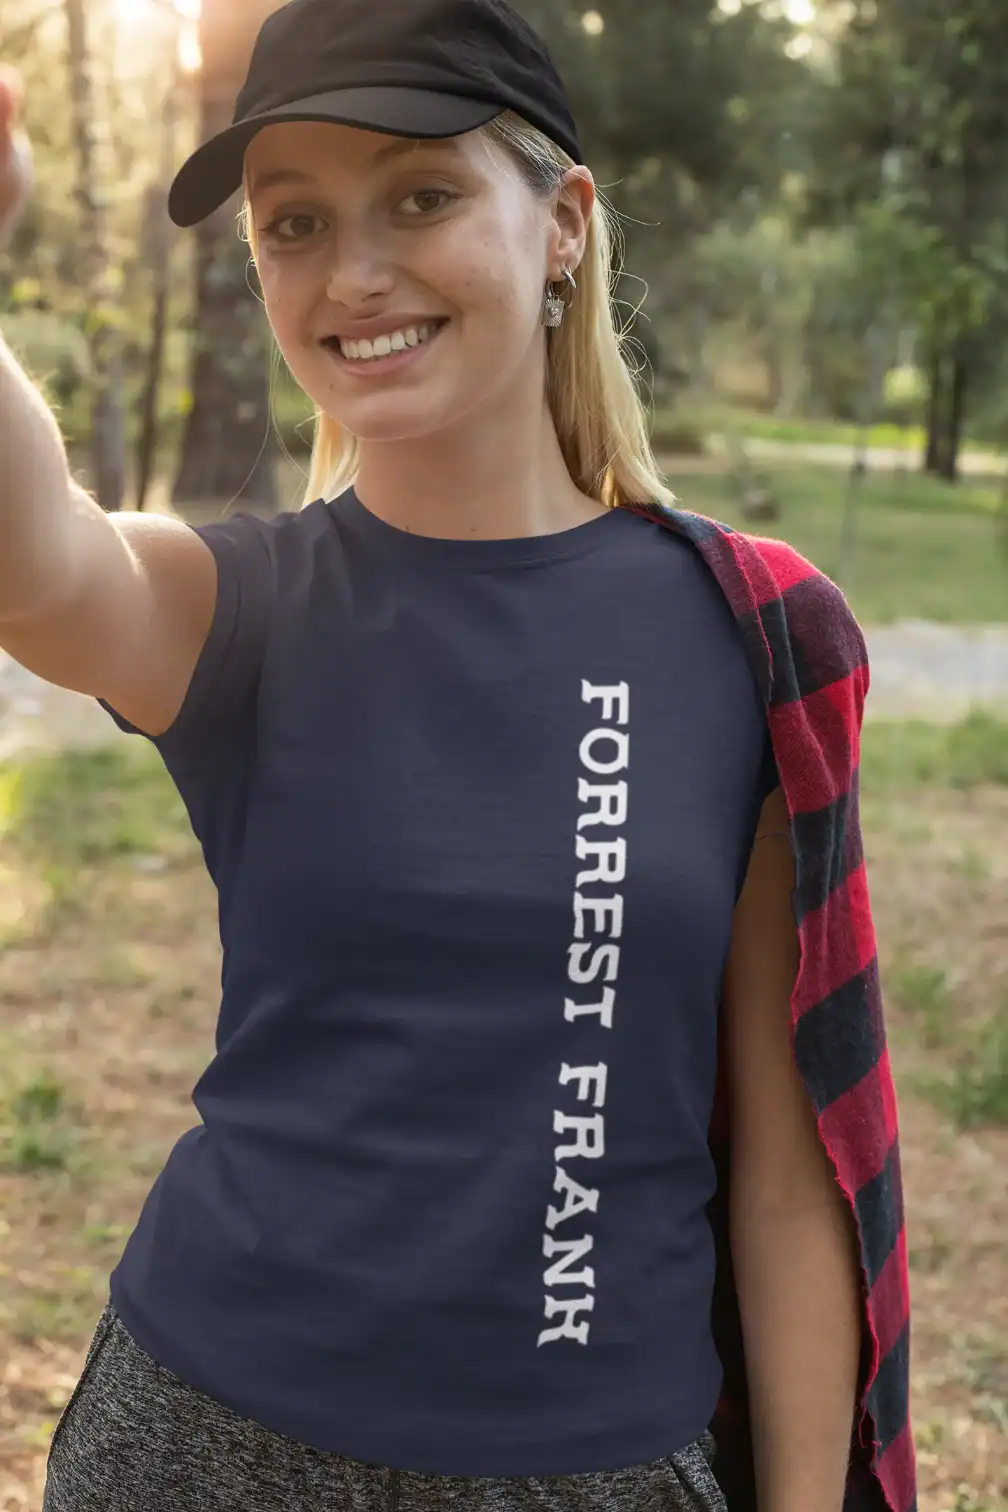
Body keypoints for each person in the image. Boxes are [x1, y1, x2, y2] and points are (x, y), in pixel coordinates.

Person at [0, 3, 915, 1510]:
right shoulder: (241, 610)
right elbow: (36, 560)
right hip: (206, 1440)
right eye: (295, 223)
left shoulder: (745, 630)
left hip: (598, 1467)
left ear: (562, 225)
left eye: (420, 196)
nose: (355, 273)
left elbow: (785, 1167)